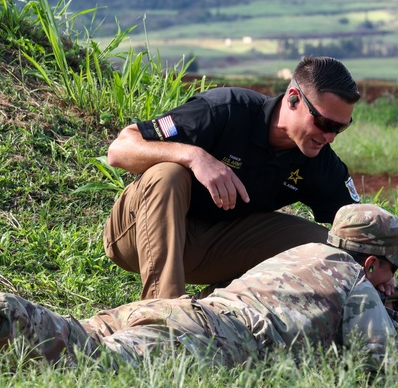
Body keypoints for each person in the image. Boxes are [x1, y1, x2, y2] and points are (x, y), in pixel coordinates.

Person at [0, 204, 398, 374]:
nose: (393, 279)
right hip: (207, 341)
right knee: (84, 362)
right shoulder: (356, 283)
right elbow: (389, 376)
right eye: (393, 268)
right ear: (372, 260)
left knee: (79, 333)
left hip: (180, 309)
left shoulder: (302, 250)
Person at [104, 55, 363, 299]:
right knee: (168, 173)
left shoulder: (320, 160)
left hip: (210, 246)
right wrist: (194, 157)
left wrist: (378, 266)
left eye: (341, 127)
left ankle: (215, 311)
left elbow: (358, 224)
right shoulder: (225, 110)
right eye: (325, 124)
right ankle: (163, 317)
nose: (330, 137)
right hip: (137, 236)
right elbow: (120, 149)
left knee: (327, 247)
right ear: (294, 99)